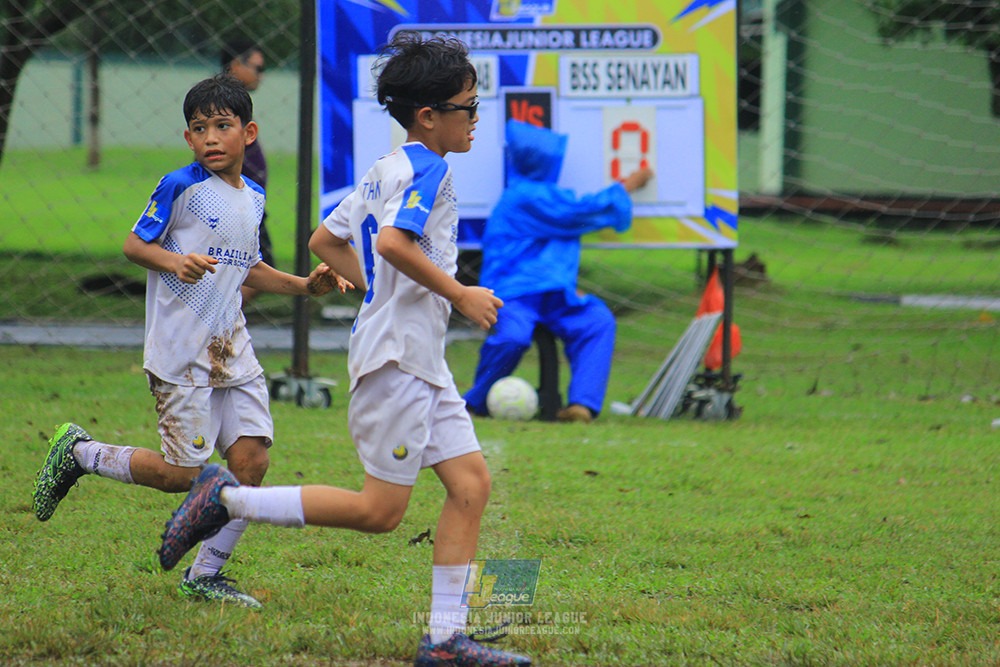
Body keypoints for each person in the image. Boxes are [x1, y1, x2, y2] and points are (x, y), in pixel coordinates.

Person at [155, 33, 531, 667]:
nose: (475, 119)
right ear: (429, 116)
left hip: (416, 358)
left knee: (470, 484)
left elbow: (324, 241)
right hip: (399, 362)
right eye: (468, 107)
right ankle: (225, 500)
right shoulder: (428, 168)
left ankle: (445, 641)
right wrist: (461, 293)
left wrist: (371, 294)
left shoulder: (388, 166)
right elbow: (393, 246)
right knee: (380, 511)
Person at [32, 74, 350, 609]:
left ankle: (205, 576)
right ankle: (81, 453)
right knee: (182, 476)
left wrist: (303, 285)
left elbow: (246, 266)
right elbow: (135, 244)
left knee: (250, 462)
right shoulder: (180, 186)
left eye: (222, 126)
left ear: (247, 133)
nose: (210, 137)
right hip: (181, 354)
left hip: (233, 348)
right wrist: (174, 260)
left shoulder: (253, 196)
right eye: (199, 128)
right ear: (188, 139)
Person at [463, 119, 653, 423]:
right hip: (513, 295)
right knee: (514, 336)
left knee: (597, 321)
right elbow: (583, 210)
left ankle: (582, 405)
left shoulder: (543, 196)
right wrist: (629, 185)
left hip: (555, 295)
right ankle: (474, 403)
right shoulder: (522, 197)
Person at [221, 38, 273, 306]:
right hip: (236, 206)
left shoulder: (236, 108)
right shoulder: (220, 108)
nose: (261, 74)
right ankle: (216, 316)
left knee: (257, 268)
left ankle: (219, 315)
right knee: (260, 269)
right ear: (234, 65)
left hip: (249, 204)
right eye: (257, 67)